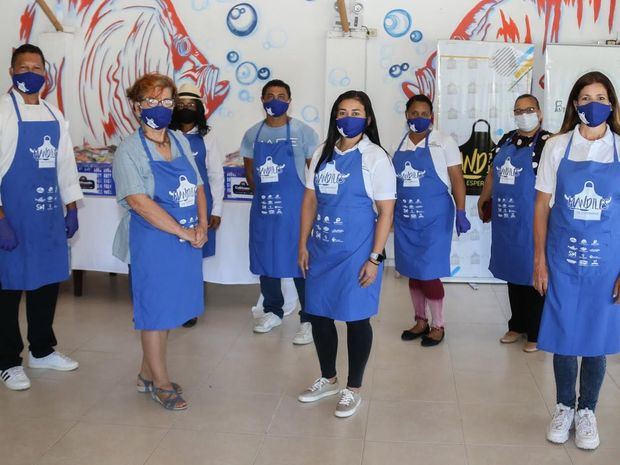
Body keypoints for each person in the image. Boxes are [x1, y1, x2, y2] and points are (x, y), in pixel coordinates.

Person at [533, 71, 620, 450]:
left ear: (612, 105)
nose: (593, 104)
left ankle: (588, 411)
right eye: (585, 98)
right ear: (574, 105)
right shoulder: (556, 146)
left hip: (607, 261)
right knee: (565, 335)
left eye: (601, 97)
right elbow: (541, 207)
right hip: (562, 257)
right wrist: (539, 259)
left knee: (596, 337)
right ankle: (564, 406)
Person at [112, 73, 208, 410]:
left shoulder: (180, 141)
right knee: (154, 312)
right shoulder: (128, 150)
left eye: (167, 101)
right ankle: (161, 383)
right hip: (152, 241)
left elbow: (197, 185)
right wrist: (184, 232)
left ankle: (145, 374)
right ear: (137, 106)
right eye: (151, 101)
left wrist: (203, 226)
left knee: (168, 309)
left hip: (185, 239)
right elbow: (140, 203)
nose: (160, 107)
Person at [297, 90, 396, 418]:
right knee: (320, 315)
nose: (347, 117)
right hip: (322, 250)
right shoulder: (322, 152)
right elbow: (310, 201)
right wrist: (302, 244)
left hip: (357, 253)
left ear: (367, 118)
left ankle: (353, 388)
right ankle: (328, 378)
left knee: (355, 318)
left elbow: (385, 211)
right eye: (341, 111)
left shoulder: (375, 157)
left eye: (355, 111)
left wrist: (375, 258)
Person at [0, 44, 82, 391]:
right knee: (8, 287)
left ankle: (42, 349)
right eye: (23, 67)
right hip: (12, 216)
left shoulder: (54, 114)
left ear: (46, 75)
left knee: (47, 282)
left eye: (36, 67)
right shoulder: (3, 113)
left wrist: (73, 206)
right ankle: (6, 361)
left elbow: (65, 164)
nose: (30, 73)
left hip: (47, 213)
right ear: (11, 72)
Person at [242, 79, 319, 344]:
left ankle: (308, 318)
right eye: (270, 95)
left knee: (301, 261)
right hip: (265, 210)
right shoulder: (253, 134)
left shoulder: (303, 132)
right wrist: (265, 194)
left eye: (281, 95)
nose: (275, 99)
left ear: (289, 100)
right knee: (267, 259)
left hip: (296, 210)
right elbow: (250, 170)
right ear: (262, 100)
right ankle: (273, 310)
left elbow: (314, 174)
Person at [478, 94, 552, 352]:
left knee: (533, 275)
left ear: (540, 113)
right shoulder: (506, 140)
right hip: (506, 220)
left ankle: (536, 331)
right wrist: (484, 198)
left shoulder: (548, 143)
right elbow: (492, 173)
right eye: (519, 110)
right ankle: (517, 324)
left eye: (529, 109)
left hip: (533, 220)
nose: (524, 114)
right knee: (512, 273)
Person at [394, 94, 470, 347]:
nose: (418, 118)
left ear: (432, 117)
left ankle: (438, 325)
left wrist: (461, 210)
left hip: (435, 218)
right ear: (406, 116)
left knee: (428, 272)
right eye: (413, 113)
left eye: (424, 114)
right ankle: (420, 320)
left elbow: (457, 178)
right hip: (406, 217)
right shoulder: (401, 143)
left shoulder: (443, 142)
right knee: (413, 272)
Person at [170, 82, 224, 328]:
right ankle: (171, 303)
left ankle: (190, 307)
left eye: (190, 105)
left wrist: (216, 211)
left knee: (193, 259)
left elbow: (215, 175)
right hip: (170, 206)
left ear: (199, 108)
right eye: (180, 105)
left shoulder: (209, 138)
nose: (185, 109)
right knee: (172, 257)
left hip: (200, 208)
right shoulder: (165, 135)